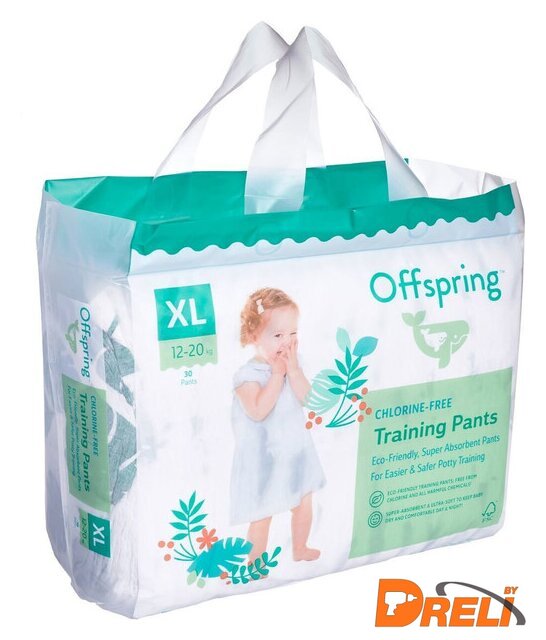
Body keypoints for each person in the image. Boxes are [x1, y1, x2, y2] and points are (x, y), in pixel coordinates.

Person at [229, 287, 326, 565]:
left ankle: (300, 547)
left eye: (293, 333)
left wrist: (292, 371)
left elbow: (308, 400)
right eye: (278, 335)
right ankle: (255, 561)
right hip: (264, 458)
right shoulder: (247, 375)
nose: (287, 342)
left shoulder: (293, 365)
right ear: (254, 335)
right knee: (263, 514)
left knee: (304, 502)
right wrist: (276, 375)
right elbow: (258, 410)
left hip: (295, 451)